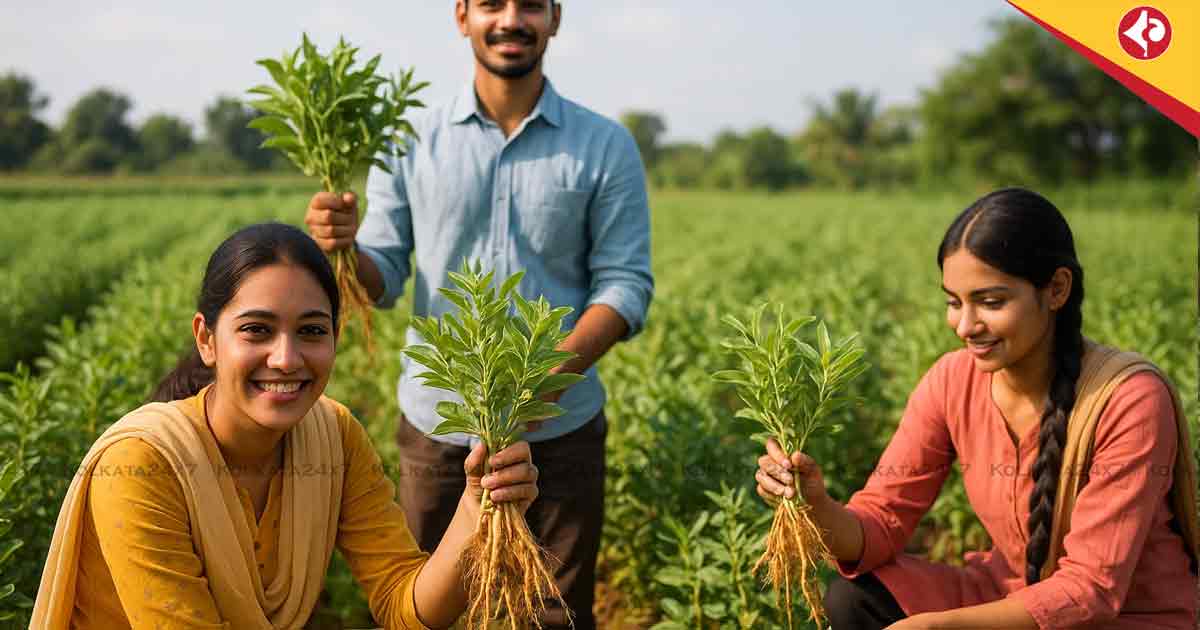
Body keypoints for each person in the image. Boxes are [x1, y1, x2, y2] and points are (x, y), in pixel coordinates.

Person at [304, 1, 653, 627]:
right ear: (463, 16)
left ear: (555, 18)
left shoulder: (605, 145)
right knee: (422, 607)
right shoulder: (408, 139)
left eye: (530, 5)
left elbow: (624, 287)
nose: (511, 19)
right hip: (438, 427)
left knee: (553, 614)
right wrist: (344, 248)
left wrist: (532, 386)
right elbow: (381, 279)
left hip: (559, 429)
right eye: (492, 3)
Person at [31, 223, 539, 630]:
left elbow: (405, 605)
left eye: (311, 331)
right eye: (257, 330)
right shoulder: (142, 464)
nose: (286, 358)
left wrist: (477, 506)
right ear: (206, 339)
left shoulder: (334, 438)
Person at [755, 188, 1198, 629]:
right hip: (1008, 593)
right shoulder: (953, 381)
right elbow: (881, 521)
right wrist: (815, 504)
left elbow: (1091, 590)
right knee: (855, 600)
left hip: (1126, 617)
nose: (965, 326)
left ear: (1057, 289)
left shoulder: (1128, 398)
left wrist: (938, 626)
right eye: (953, 302)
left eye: (991, 302)